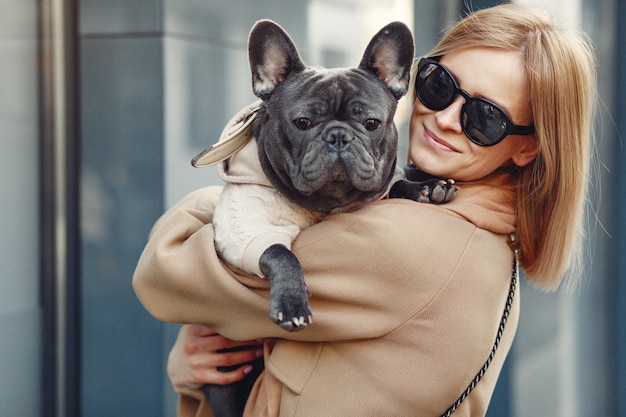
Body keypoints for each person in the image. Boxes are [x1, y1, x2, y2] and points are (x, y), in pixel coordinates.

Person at [133, 3, 596, 417]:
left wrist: (211, 198)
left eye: (485, 118)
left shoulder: (410, 242)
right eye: (439, 86)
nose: (445, 118)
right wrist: (194, 362)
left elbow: (167, 276)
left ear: (526, 147)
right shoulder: (476, 229)